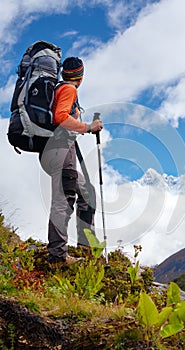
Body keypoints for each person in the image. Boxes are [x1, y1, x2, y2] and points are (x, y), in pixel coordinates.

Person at [39, 57, 103, 267]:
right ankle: (57, 257)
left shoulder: (59, 88)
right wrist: (88, 127)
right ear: (80, 76)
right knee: (64, 199)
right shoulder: (68, 89)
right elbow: (60, 117)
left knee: (87, 193)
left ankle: (86, 247)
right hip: (59, 151)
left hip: (54, 152)